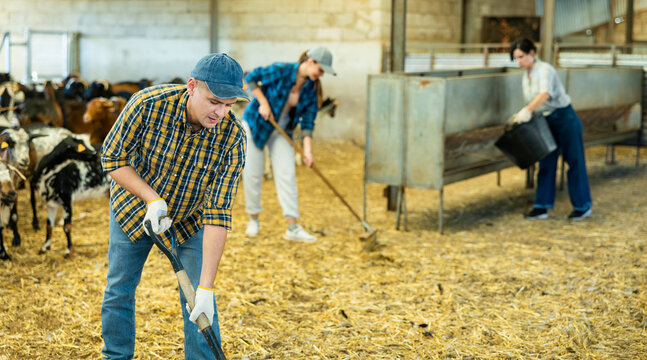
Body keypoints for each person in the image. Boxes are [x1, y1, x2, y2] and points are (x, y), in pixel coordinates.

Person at [100, 53, 248, 359]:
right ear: (192, 86)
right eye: (214, 101)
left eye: (229, 105)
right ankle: (115, 355)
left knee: (198, 299)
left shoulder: (233, 139)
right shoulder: (148, 104)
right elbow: (112, 158)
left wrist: (206, 288)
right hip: (134, 209)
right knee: (119, 289)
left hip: (189, 219)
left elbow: (218, 214)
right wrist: (151, 198)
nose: (221, 113)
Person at [241, 47, 336, 242]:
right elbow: (251, 77)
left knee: (287, 175)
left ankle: (292, 227)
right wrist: (263, 103)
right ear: (311, 62)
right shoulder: (281, 70)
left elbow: (308, 122)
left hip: (281, 131)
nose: (321, 74)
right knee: (253, 174)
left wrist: (307, 152)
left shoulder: (311, 88)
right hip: (255, 125)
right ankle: (254, 220)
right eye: (321, 69)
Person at [509, 38, 592, 221]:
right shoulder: (527, 75)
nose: (519, 62)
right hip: (545, 120)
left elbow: (545, 94)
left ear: (532, 53)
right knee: (546, 162)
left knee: (574, 160)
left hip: (564, 117)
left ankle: (582, 206)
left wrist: (526, 111)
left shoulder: (545, 70)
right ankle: (542, 206)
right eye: (516, 58)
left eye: (521, 57)